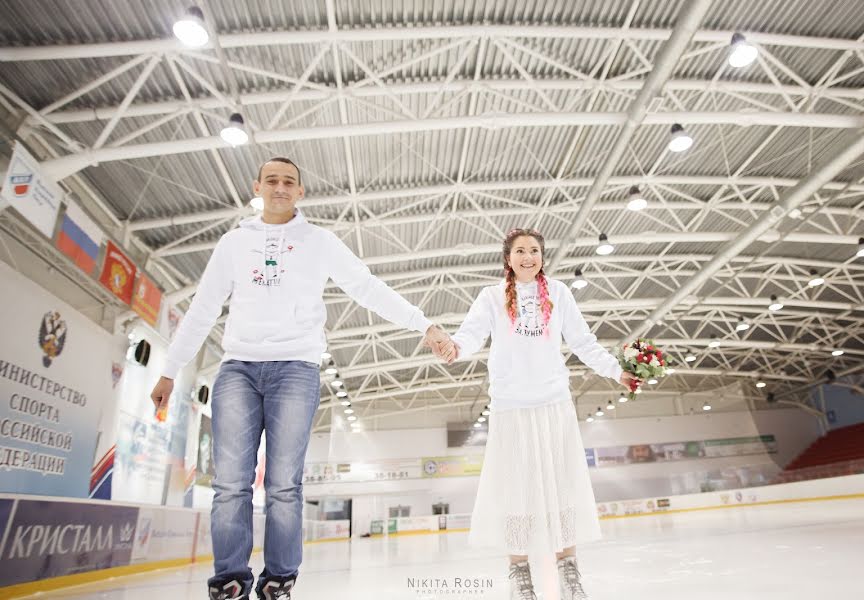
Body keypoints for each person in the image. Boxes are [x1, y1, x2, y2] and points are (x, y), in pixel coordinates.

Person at [150, 157, 451, 600]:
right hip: (238, 368)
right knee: (230, 481)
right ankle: (229, 580)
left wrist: (423, 324)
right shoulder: (234, 243)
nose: (280, 186)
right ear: (258, 187)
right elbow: (202, 309)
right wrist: (169, 370)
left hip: (296, 368)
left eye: (289, 181)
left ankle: (278, 580)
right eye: (271, 180)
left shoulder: (319, 241)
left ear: (300, 192)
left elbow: (367, 287)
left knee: (284, 483)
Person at [433, 228, 639, 600]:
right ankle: (519, 571)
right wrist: (453, 348)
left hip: (554, 404)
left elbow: (583, 342)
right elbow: (470, 335)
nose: (528, 257)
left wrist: (615, 370)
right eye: (520, 251)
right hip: (511, 408)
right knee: (518, 491)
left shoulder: (559, 294)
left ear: (542, 257)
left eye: (534, 251)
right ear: (507, 258)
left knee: (563, 488)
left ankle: (568, 568)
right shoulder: (491, 297)